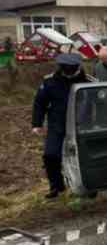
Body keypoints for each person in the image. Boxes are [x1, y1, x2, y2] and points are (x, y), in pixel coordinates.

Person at [32, 53, 89, 198]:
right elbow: (39, 103)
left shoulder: (88, 81)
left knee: (84, 156)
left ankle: (88, 185)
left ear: (78, 68)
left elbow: (97, 103)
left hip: (81, 125)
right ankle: (56, 186)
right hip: (57, 124)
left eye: (72, 70)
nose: (69, 73)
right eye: (66, 70)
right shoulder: (50, 82)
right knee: (50, 155)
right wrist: (37, 124)